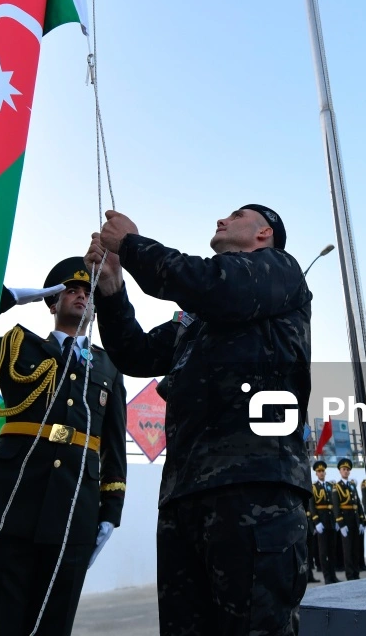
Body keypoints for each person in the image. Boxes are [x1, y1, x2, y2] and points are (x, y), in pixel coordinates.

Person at [88, 205, 312, 635]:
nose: (221, 220)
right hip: (185, 494)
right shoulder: (196, 317)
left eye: (236, 215)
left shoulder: (279, 270)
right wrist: (113, 291)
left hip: (254, 488)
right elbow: (135, 354)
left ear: (264, 233)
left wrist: (133, 246)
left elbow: (213, 285)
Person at [0, 258, 129, 636]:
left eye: (88, 293)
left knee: (53, 625)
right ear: (51, 301)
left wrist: (110, 511)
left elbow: (113, 445)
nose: (82, 295)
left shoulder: (110, 366)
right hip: (8, 503)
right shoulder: (17, 346)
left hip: (74, 509)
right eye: (71, 290)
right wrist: (11, 297)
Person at [333, 458, 365, 581]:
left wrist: (361, 521)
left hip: (355, 520)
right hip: (345, 521)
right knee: (347, 550)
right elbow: (336, 506)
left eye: (347, 470)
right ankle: (350, 575)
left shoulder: (352, 485)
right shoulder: (337, 486)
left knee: (356, 548)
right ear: (340, 471)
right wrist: (341, 523)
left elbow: (358, 503)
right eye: (343, 469)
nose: (346, 471)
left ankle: (356, 573)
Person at [308, 461, 338, 585]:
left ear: (325, 472)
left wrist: (336, 520)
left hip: (331, 521)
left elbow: (334, 504)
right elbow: (312, 505)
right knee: (323, 551)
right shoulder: (314, 487)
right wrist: (316, 521)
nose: (321, 473)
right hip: (321, 521)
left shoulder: (330, 485)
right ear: (316, 473)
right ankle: (327, 577)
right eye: (319, 471)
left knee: (332, 550)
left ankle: (333, 575)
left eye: (322, 471)